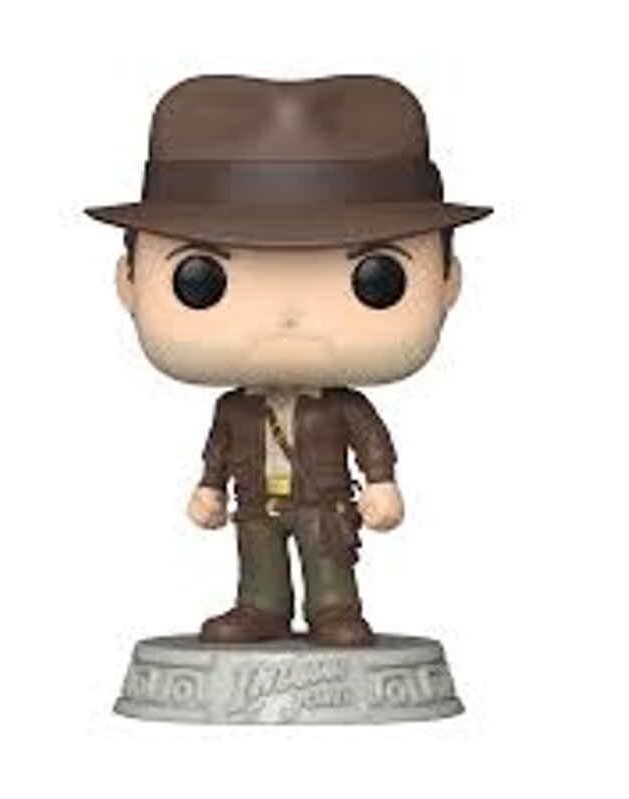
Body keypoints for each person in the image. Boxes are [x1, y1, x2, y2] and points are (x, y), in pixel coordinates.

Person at [86, 75, 491, 646]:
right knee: (258, 559)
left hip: (322, 502)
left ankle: (334, 610)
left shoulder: (341, 407)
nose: (287, 317)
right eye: (201, 280)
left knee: (327, 561)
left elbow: (370, 440)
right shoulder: (235, 409)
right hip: (255, 503)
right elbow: (219, 449)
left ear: (447, 282)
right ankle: (261, 607)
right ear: (129, 283)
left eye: (376, 280)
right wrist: (209, 487)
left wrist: (381, 482)